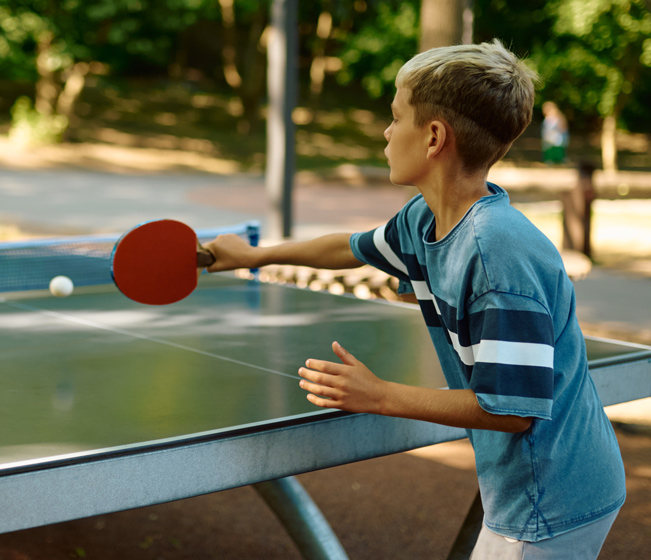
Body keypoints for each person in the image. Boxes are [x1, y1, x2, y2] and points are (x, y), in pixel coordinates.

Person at [205, 40, 625, 559]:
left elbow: (512, 410)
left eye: (395, 115)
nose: (385, 131)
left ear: (433, 137)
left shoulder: (496, 256)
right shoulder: (425, 219)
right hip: (532, 486)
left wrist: (378, 395)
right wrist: (255, 255)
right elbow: (349, 247)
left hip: (553, 498)